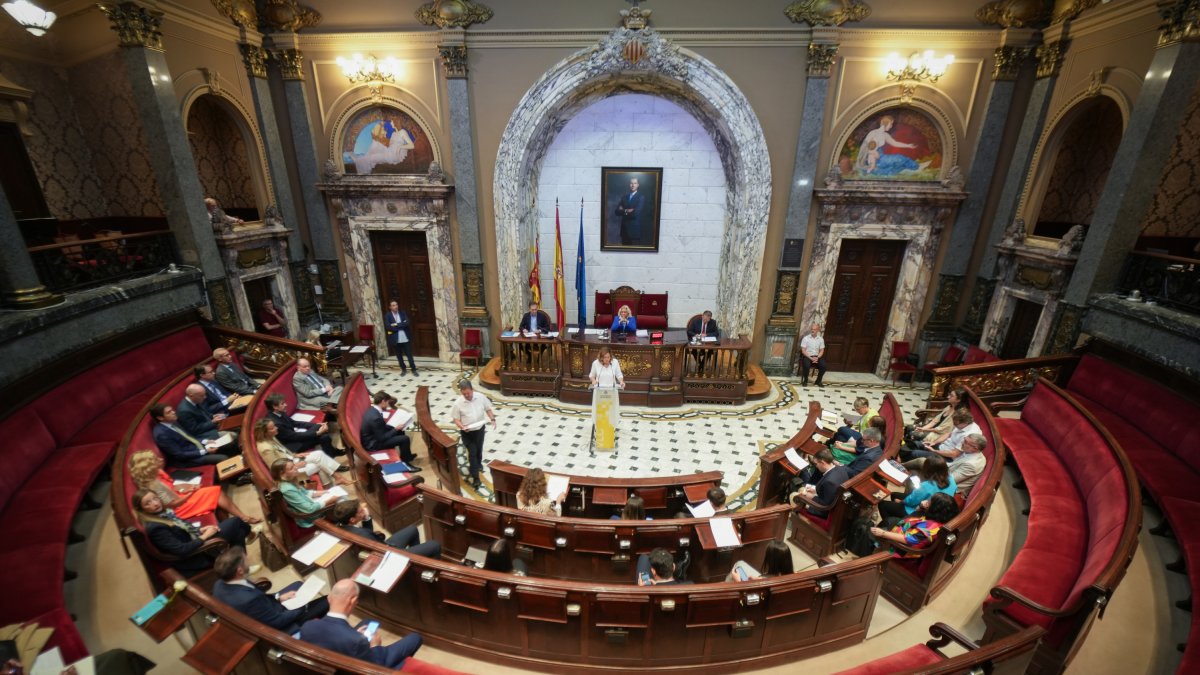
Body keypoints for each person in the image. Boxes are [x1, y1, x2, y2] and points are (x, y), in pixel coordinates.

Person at [300, 579, 422, 668]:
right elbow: (375, 664)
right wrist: (375, 645)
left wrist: (353, 634)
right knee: (415, 638)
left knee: (369, 622)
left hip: (332, 663)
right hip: (365, 664)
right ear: (352, 600)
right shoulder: (357, 641)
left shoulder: (307, 626)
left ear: (329, 598)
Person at [132, 488, 253, 577]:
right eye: (148, 503)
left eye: (155, 498)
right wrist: (205, 536)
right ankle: (240, 566)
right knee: (236, 523)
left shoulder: (162, 514)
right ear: (142, 509)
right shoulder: (155, 528)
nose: (155, 503)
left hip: (196, 539)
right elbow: (182, 550)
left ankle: (240, 567)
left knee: (239, 531)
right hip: (196, 555)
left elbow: (183, 529)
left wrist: (201, 529)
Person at [213, 546, 329, 633]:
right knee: (328, 600)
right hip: (282, 625)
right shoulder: (250, 599)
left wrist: (279, 598)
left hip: (267, 608)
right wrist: (303, 606)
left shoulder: (219, 585)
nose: (249, 561)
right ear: (240, 571)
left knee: (298, 585)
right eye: (246, 560)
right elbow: (277, 622)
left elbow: (261, 600)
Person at [127, 449, 259, 523]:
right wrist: (190, 493)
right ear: (148, 468)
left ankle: (239, 519)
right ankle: (243, 518)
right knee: (216, 492)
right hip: (177, 508)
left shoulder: (157, 472)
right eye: (155, 461)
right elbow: (172, 504)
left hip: (179, 498)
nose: (160, 460)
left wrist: (189, 486)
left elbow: (172, 485)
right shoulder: (153, 485)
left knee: (212, 493)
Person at [254, 418, 351, 487]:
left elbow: (283, 450)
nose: (276, 428)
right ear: (264, 432)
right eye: (272, 428)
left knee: (319, 454)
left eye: (274, 426)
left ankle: (336, 481)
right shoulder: (265, 448)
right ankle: (333, 484)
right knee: (320, 465)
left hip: (292, 461)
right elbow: (276, 469)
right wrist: (295, 466)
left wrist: (294, 455)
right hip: (288, 473)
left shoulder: (271, 437)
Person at [327, 499, 441, 558]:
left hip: (381, 546)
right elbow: (370, 538)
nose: (364, 510)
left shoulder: (341, 527)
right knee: (434, 545)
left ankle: (416, 565)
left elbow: (369, 537)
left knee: (412, 529)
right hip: (388, 555)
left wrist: (366, 518)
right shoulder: (361, 534)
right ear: (352, 520)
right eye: (360, 511)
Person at [870, 492, 961, 558]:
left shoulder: (930, 529)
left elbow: (909, 540)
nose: (926, 501)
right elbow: (914, 516)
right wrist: (921, 507)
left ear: (935, 509)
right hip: (906, 528)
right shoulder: (938, 518)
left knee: (871, 532)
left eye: (930, 502)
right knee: (887, 522)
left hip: (901, 550)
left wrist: (883, 533)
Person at [151, 403, 231, 468]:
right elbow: (179, 455)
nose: (173, 412)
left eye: (172, 410)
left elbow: (190, 437)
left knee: (228, 442)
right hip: (188, 459)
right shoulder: (162, 434)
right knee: (223, 458)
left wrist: (205, 441)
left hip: (196, 447)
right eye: (169, 412)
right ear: (160, 418)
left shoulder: (174, 421)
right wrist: (205, 451)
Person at [878, 456, 957, 521]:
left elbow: (911, 501)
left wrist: (901, 502)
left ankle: (890, 523)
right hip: (938, 510)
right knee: (894, 495)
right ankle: (897, 517)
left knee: (883, 504)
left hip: (920, 513)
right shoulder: (952, 480)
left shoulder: (926, 485)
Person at [271, 459, 343, 528]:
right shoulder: (287, 489)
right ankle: (344, 524)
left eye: (294, 465)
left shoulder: (289, 480)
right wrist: (329, 501)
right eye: (291, 468)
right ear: (282, 474)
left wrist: (323, 492)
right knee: (341, 501)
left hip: (310, 504)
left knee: (338, 496)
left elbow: (306, 493)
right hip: (310, 517)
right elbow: (309, 509)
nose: (296, 468)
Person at [451, 380, 495, 489]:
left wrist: (493, 419)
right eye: (464, 393)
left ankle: (478, 465)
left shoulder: (480, 397)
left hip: (480, 430)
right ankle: (476, 477)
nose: (466, 395)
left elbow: (488, 409)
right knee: (472, 453)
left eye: (468, 393)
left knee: (479, 449)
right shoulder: (458, 404)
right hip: (467, 432)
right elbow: (456, 419)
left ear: (472, 390)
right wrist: (462, 427)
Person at [265, 393, 340, 457]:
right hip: (293, 445)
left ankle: (333, 453)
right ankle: (332, 456)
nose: (286, 404)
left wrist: (316, 424)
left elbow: (294, 423)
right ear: (275, 407)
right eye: (282, 403)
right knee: (324, 437)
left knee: (320, 428)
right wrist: (317, 433)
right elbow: (295, 436)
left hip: (294, 437)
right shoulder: (276, 424)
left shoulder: (279, 412)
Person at [853, 115, 927, 177]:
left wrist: (908, 145)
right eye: (891, 124)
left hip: (881, 157)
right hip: (873, 160)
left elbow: (895, 143)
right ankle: (917, 167)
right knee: (899, 158)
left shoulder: (885, 135)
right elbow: (866, 148)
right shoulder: (873, 133)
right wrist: (873, 153)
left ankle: (915, 167)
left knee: (898, 159)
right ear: (886, 123)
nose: (891, 126)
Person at [904, 409, 981, 466]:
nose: (954, 425)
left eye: (956, 424)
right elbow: (948, 434)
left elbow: (954, 454)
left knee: (915, 453)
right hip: (941, 446)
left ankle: (903, 468)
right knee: (914, 444)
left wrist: (934, 451)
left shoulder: (969, 436)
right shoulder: (962, 424)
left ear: (965, 422)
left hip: (947, 457)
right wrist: (934, 442)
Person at [361, 391, 418, 467]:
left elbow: (381, 428)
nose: (388, 405)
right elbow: (382, 438)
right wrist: (395, 429)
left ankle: (407, 456)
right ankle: (406, 464)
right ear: (383, 401)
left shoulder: (373, 410)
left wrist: (395, 428)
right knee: (404, 439)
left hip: (375, 436)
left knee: (400, 431)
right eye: (387, 402)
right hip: (373, 444)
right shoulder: (375, 417)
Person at [792, 449, 849, 517]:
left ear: (822, 462)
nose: (816, 466)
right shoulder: (841, 468)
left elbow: (825, 505)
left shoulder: (830, 482)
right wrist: (815, 489)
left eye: (816, 464)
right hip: (833, 501)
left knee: (793, 495)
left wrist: (811, 497)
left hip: (823, 510)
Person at [727, 540, 793, 582]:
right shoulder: (793, 577)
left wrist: (738, 582)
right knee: (740, 563)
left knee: (738, 566)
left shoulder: (766, 583)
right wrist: (759, 579)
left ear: (772, 562)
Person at [384, 300, 418, 375]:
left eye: (396, 305)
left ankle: (414, 369)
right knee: (399, 356)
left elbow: (407, 323)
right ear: (390, 307)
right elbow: (388, 326)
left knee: (409, 355)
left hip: (405, 338)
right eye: (393, 305)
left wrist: (396, 325)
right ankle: (403, 369)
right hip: (395, 339)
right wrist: (400, 326)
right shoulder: (388, 315)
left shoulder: (403, 313)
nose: (395, 306)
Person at [614, 177, 645, 245]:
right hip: (624, 231)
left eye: (635, 183)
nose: (633, 185)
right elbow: (616, 212)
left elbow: (635, 214)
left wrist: (623, 210)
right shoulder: (624, 197)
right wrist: (627, 210)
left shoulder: (641, 197)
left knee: (634, 254)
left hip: (634, 232)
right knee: (623, 254)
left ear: (638, 185)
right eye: (631, 183)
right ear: (629, 184)